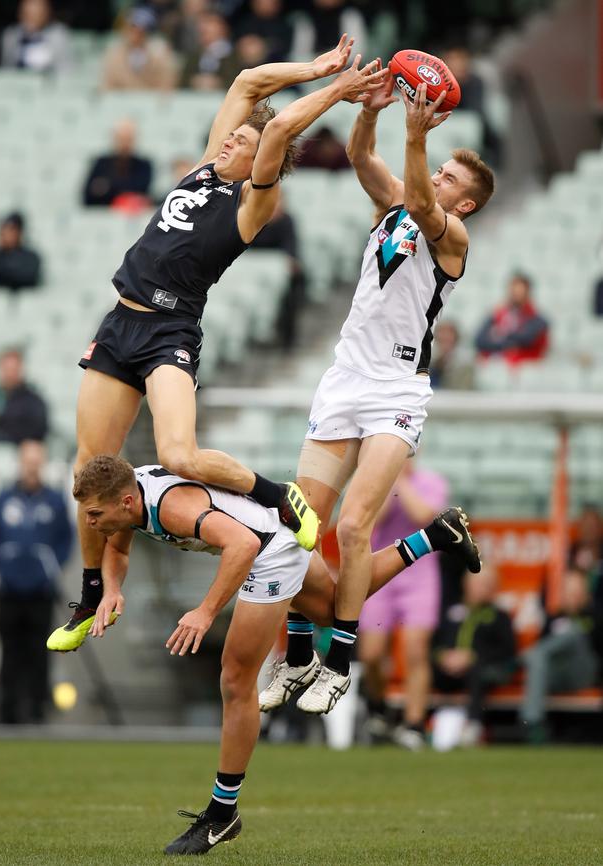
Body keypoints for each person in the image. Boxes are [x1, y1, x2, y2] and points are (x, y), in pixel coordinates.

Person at [46, 39, 391, 653]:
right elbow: (248, 85)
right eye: (232, 138)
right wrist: (311, 67)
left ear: (265, 160)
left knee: (179, 454)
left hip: (168, 332)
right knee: (87, 468)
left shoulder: (252, 202)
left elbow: (280, 123)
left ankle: (279, 496)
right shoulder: (207, 168)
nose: (230, 139)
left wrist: (337, 90)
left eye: (244, 143)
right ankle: (94, 589)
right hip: (119, 323)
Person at [70, 455, 480, 854]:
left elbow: (242, 545)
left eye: (92, 514)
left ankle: (223, 811)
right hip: (279, 528)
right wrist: (112, 589)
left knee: (235, 680)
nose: (89, 524)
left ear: (125, 502)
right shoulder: (129, 495)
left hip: (266, 550)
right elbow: (118, 551)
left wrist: (205, 612)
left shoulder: (170, 507)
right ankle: (436, 536)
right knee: (339, 605)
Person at [267, 62, 494, 715]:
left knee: (358, 526)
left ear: (468, 201)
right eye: (441, 169)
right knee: (299, 528)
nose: (440, 179)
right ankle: (302, 652)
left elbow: (424, 204)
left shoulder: (453, 234)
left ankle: (338, 661)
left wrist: (419, 138)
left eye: (454, 178)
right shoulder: (396, 197)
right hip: (344, 378)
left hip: (397, 389)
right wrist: (372, 106)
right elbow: (362, 153)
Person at [358, 459, 448, 751]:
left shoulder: (432, 482)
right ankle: (378, 706)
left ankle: (414, 724)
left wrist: (401, 481)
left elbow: (424, 516)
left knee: (415, 650)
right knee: (371, 654)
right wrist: (388, 482)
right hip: (380, 570)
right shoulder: (373, 480)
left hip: (420, 575)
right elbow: (373, 519)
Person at [0, 441, 73, 723]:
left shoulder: (54, 501)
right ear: (20, 463)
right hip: (9, 590)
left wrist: (50, 567)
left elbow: (66, 539)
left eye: (37, 462)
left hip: (41, 590)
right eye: (27, 461)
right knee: (9, 651)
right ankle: (7, 712)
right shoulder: (3, 499)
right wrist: (1, 563)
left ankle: (36, 712)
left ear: (43, 463)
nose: (32, 467)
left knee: (40, 652)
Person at [432, 565, 516, 747]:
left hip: (483, 673)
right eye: (478, 583)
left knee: (476, 671)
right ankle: (418, 726)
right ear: (466, 585)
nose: (482, 588)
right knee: (422, 667)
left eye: (487, 584)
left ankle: (473, 726)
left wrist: (472, 657)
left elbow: (507, 651)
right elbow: (434, 644)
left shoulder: (499, 617)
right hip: (447, 671)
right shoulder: (450, 612)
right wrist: (443, 657)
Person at [519, 569, 602, 744]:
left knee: (573, 632)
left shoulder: (595, 616)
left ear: (585, 593)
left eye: (576, 591)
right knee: (539, 657)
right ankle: (533, 723)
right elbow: (544, 651)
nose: (572, 596)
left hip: (584, 674)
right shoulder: (553, 617)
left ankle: (520, 659)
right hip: (556, 675)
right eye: (569, 591)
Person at [250, 189, 306, 350]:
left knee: (291, 290)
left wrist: (290, 262)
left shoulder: (287, 221)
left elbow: (291, 248)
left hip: (278, 269)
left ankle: (287, 338)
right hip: (253, 268)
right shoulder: (252, 220)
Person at [475, 273, 549, 365]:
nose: (515, 295)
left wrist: (498, 336)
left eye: (520, 291)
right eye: (513, 291)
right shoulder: (498, 314)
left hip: (524, 369)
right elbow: (479, 340)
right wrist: (508, 344)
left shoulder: (536, 320)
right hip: (498, 365)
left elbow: (526, 339)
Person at [101, 6, 176, 92]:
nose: (136, 33)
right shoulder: (114, 55)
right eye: (133, 28)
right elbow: (107, 86)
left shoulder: (160, 54)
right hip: (120, 103)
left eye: (142, 29)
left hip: (151, 102)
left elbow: (167, 85)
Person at [82, 119, 153, 208]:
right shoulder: (101, 163)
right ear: (115, 138)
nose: (125, 144)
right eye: (122, 139)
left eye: (128, 139)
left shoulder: (144, 165)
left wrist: (108, 188)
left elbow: (142, 189)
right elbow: (88, 195)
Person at [1, 0, 72, 74]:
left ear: (47, 13)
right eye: (27, 14)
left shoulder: (58, 34)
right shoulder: (12, 35)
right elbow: (7, 68)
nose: (32, 18)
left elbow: (66, 69)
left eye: (37, 13)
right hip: (19, 82)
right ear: (20, 14)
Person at [179, 10, 238, 91]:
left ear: (222, 29)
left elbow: (237, 80)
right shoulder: (195, 55)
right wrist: (194, 81)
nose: (203, 27)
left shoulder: (233, 55)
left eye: (209, 23)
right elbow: (183, 81)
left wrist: (217, 83)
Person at [428, 319, 475, 389]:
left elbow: (463, 391)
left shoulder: (465, 365)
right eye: (441, 333)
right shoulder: (429, 361)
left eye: (449, 333)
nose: (445, 336)